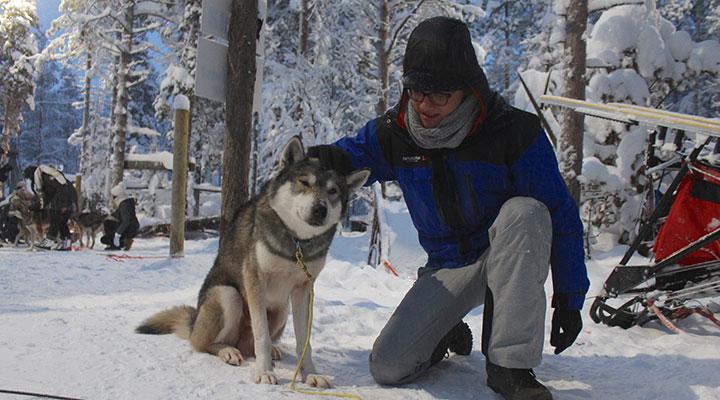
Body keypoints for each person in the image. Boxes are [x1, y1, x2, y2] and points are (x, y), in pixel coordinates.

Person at [307, 16, 589, 400]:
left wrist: (570, 300)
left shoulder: (513, 132)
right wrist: (324, 161)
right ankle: (445, 327)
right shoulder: (396, 133)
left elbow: (562, 217)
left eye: (439, 95)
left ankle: (510, 366)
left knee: (527, 212)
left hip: (507, 255)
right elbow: (353, 155)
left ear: (468, 89)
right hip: (447, 268)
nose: (426, 105)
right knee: (389, 366)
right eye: (418, 93)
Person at [23, 164, 76, 250]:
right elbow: (46, 197)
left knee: (55, 218)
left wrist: (63, 204)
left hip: (64, 198)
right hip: (69, 197)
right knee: (62, 222)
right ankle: (66, 244)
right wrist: (35, 207)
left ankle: (48, 242)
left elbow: (61, 186)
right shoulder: (47, 175)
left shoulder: (46, 175)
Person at [100, 183, 139, 251]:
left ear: (118, 196)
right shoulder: (125, 203)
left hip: (129, 228)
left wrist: (117, 235)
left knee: (105, 238)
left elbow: (126, 221)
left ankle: (117, 244)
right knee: (108, 222)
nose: (113, 199)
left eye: (114, 197)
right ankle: (123, 241)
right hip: (132, 227)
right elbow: (117, 214)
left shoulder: (124, 205)